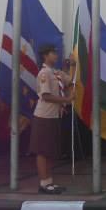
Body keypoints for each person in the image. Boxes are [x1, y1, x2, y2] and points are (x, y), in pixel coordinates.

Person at [30, 44, 73, 194]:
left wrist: (72, 65)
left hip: (54, 116)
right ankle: (43, 183)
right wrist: (66, 100)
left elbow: (70, 81)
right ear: (45, 56)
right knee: (42, 150)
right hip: (44, 116)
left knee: (50, 150)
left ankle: (49, 181)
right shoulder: (44, 73)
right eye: (53, 53)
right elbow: (46, 96)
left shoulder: (56, 72)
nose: (56, 55)